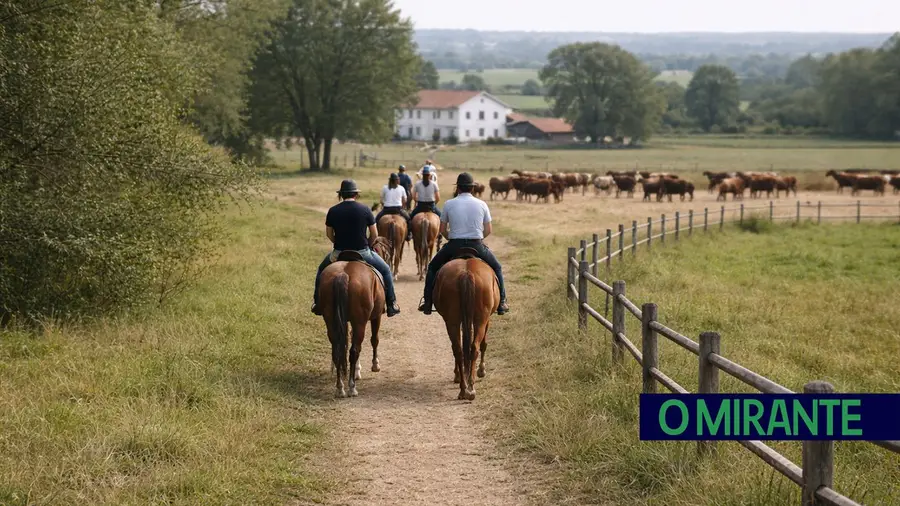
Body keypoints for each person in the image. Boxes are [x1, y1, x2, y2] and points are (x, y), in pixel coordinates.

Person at [418, 172, 508, 316]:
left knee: (433, 267)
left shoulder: (448, 204)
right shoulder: (482, 204)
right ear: (472, 188)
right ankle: (502, 302)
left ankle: (427, 301)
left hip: (454, 245)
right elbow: (488, 230)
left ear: (458, 188)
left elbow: (442, 230)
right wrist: (479, 238)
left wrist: (450, 238)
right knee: (497, 267)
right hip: (477, 245)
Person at [312, 180, 400, 317]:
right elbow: (375, 234)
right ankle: (391, 303)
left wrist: (338, 243)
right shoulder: (365, 209)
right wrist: (368, 245)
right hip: (363, 252)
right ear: (356, 195)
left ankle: (317, 302)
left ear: (341, 194)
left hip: (339, 252)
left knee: (321, 270)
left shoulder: (333, 210)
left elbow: (329, 234)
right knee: (386, 270)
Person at [374, 173, 412, 241]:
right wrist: (403, 207)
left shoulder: (385, 187)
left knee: (376, 219)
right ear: (397, 180)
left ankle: (376, 234)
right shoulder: (401, 188)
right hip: (398, 209)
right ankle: (408, 234)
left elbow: (381, 200)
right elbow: (404, 200)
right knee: (408, 219)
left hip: (386, 210)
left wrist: (384, 204)